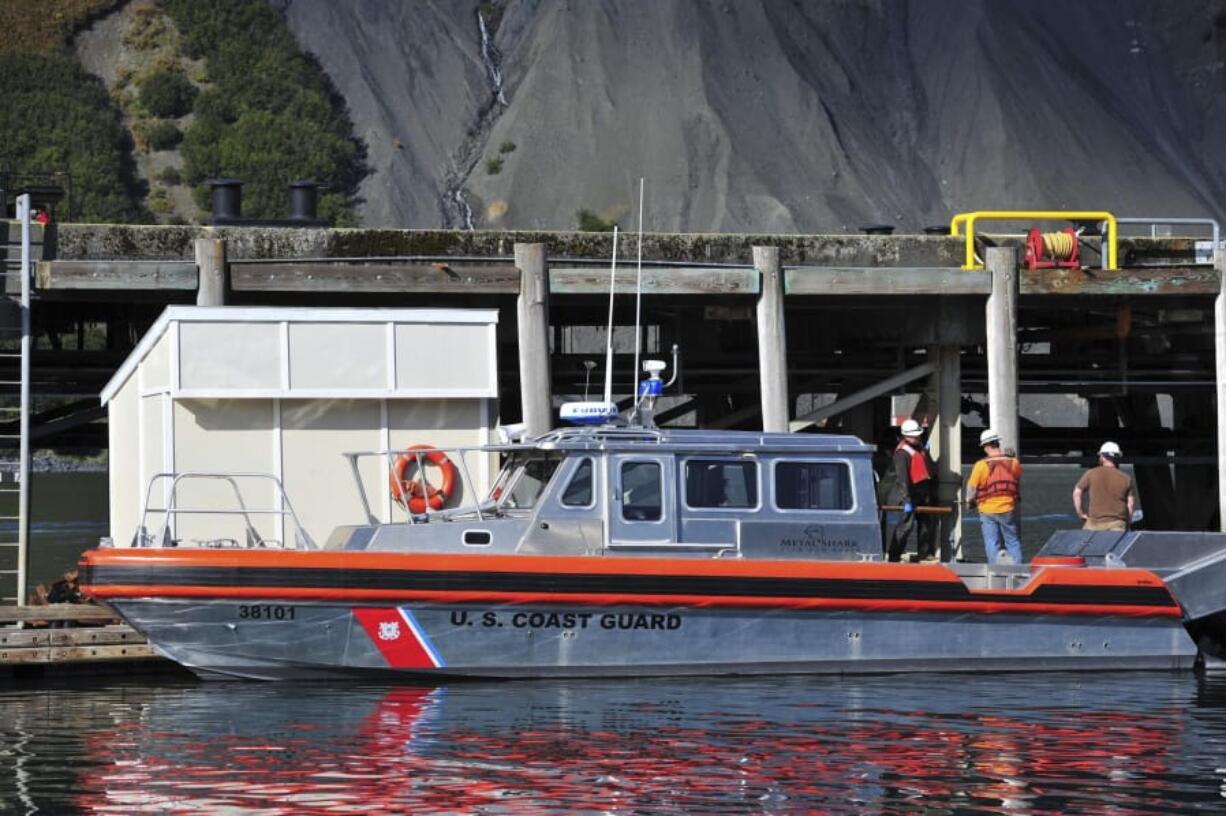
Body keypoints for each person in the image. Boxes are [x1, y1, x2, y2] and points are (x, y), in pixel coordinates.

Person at [965, 429, 1023, 564]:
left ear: (986, 446)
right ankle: (1018, 570)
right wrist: (1012, 457)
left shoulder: (980, 465)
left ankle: (994, 571)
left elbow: (971, 488)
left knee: (992, 542)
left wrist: (970, 502)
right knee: (1012, 541)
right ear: (997, 443)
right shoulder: (1013, 462)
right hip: (1007, 507)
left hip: (987, 509)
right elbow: (1017, 477)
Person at [888, 419, 938, 563]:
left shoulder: (920, 448)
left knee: (926, 525)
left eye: (918, 435)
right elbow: (902, 478)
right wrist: (907, 500)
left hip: (923, 492)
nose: (917, 438)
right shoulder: (902, 453)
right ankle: (894, 555)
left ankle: (924, 554)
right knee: (906, 525)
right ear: (905, 435)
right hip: (911, 493)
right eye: (914, 436)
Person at [1072, 441, 1135, 532]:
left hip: (1093, 523)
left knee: (1086, 545)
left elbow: (1077, 493)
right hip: (1117, 524)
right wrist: (1128, 523)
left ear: (1102, 456)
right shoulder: (1126, 478)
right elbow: (1130, 505)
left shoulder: (1091, 473)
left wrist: (1081, 514)